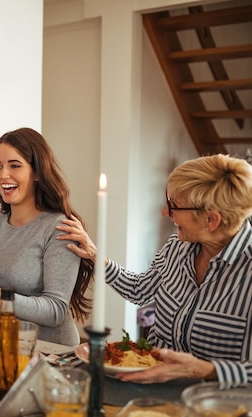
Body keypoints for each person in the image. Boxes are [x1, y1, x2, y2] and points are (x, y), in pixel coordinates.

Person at [57, 153, 252, 385]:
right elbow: (140, 290)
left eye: (173, 206)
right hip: (153, 391)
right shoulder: (177, 247)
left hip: (217, 403)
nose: (164, 212)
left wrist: (204, 370)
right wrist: (95, 256)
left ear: (211, 220)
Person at [0, 128, 94, 346]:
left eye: (15, 165)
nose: (3, 175)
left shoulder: (59, 228)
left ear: (37, 172)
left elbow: (56, 310)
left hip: (46, 350)